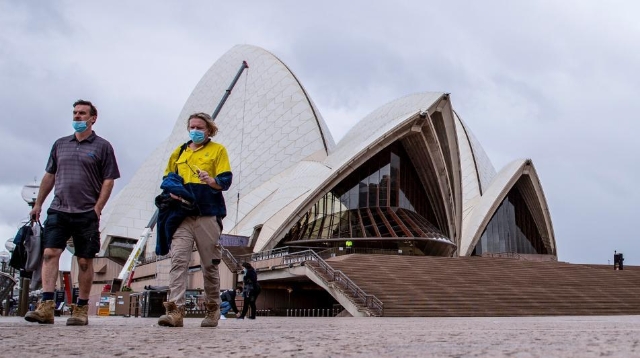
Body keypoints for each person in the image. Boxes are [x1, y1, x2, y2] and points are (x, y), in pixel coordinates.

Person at [25, 99, 120, 326]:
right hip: (59, 209)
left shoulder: (102, 146)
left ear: (92, 118)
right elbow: (50, 175)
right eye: (75, 113)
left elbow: (109, 180)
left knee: (85, 261)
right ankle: (47, 306)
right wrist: (39, 203)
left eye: (82, 113)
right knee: (50, 253)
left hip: (86, 212)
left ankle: (80, 309)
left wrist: (98, 208)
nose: (77, 117)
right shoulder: (60, 144)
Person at [157, 112, 232, 328]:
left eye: (200, 127)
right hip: (182, 214)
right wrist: (172, 191)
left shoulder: (218, 151)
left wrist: (211, 180)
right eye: (192, 127)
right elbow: (167, 179)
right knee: (178, 261)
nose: (195, 131)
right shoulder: (180, 152)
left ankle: (212, 309)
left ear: (209, 130)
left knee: (210, 265)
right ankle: (175, 311)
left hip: (208, 213)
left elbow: (225, 181)